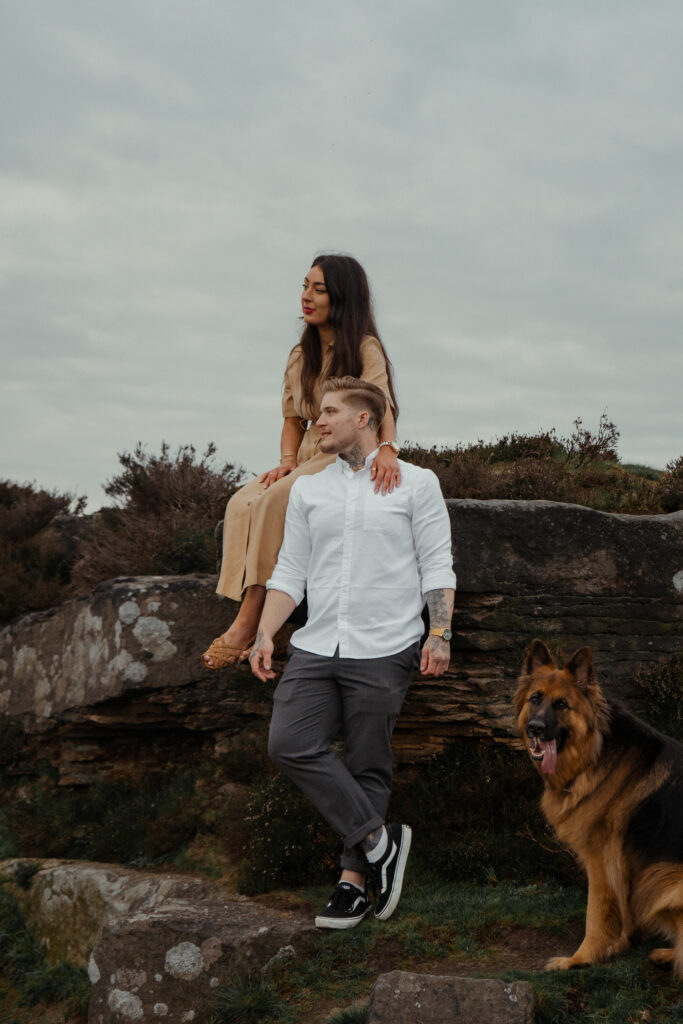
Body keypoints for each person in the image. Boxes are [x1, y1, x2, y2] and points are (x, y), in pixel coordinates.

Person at [250, 376, 456, 929]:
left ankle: (352, 884)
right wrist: (267, 632)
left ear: (364, 419)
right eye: (319, 413)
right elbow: (290, 572)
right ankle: (378, 840)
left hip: (386, 646)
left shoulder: (417, 484)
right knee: (289, 744)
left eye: (331, 412)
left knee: (369, 761)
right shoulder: (308, 490)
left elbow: (438, 566)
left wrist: (439, 633)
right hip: (317, 644)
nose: (319, 421)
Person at [202, 254, 401, 669]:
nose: (306, 297)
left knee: (277, 501)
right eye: (305, 286)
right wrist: (286, 460)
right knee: (243, 501)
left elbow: (383, 406)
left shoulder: (364, 348)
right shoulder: (300, 353)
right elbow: (293, 418)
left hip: (347, 449)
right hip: (311, 448)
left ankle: (248, 621)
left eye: (318, 289)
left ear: (342, 297)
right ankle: (245, 601)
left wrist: (387, 449)